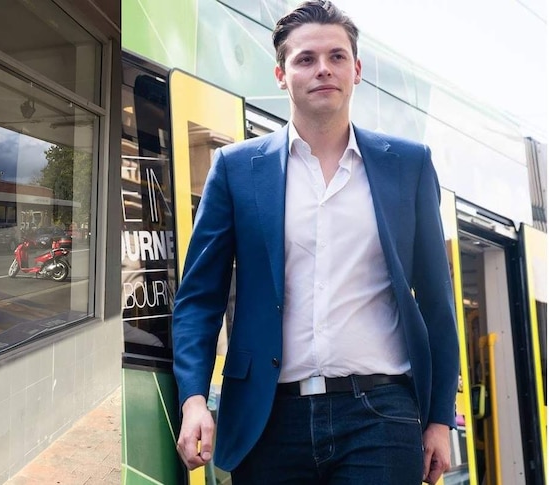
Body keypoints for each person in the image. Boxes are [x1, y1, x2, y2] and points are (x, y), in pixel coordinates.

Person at [172, 2, 459, 484]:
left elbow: (437, 302)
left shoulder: (407, 166)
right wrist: (194, 399)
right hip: (267, 417)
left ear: (357, 69)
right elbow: (199, 299)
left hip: (380, 414)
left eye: (337, 56)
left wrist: (437, 419)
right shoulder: (236, 170)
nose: (322, 68)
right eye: (305, 59)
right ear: (281, 74)